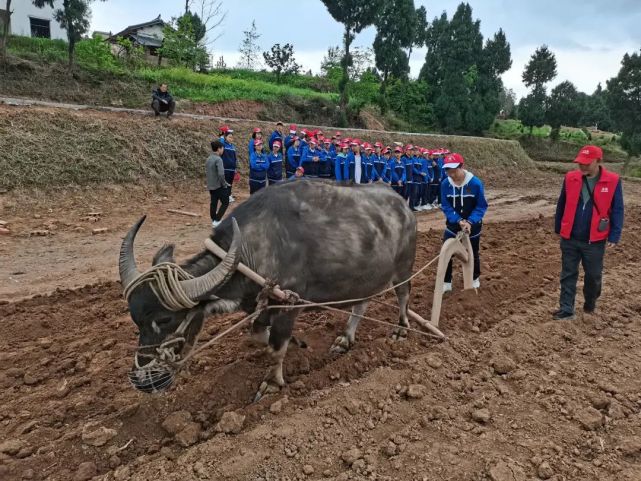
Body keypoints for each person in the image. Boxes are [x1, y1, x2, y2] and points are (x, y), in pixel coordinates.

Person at [553, 145, 624, 320]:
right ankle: (566, 309)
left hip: (595, 240)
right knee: (568, 273)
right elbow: (561, 203)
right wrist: (558, 227)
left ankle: (590, 301)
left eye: (586, 163)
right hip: (570, 237)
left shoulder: (613, 180)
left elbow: (617, 209)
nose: (582, 166)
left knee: (593, 276)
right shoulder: (570, 178)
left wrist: (614, 234)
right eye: (580, 162)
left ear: (598, 161)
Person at [440, 153, 488, 292]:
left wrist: (470, 221)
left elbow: (481, 206)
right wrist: (458, 220)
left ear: (462, 167)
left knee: (473, 251)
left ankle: (474, 279)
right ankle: (446, 282)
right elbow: (446, 205)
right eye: (448, 170)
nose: (451, 174)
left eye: (454, 170)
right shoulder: (445, 184)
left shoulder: (475, 183)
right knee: (446, 252)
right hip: (453, 224)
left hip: (472, 225)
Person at [206, 140, 230, 228]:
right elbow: (221, 174)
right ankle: (217, 220)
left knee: (213, 203)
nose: (223, 150)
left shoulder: (208, 158)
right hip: (218, 185)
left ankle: (213, 219)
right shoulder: (218, 159)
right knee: (225, 202)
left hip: (211, 185)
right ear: (219, 149)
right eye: (222, 148)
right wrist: (224, 184)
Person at [219, 126, 238, 203]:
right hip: (225, 168)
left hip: (232, 168)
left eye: (232, 137)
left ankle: (229, 195)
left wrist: (235, 168)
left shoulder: (233, 146)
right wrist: (222, 135)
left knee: (230, 183)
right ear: (225, 137)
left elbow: (235, 158)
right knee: (225, 182)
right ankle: (224, 196)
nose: (231, 139)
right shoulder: (223, 145)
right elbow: (220, 142)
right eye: (229, 137)